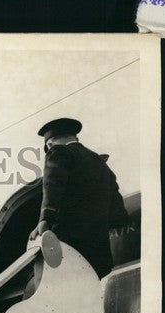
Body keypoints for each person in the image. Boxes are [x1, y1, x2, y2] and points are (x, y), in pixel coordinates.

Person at [30, 118, 130, 279]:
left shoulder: (57, 152)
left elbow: (52, 186)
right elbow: (116, 203)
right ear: (75, 138)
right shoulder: (100, 162)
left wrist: (44, 219)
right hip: (99, 249)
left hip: (69, 243)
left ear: (50, 144)